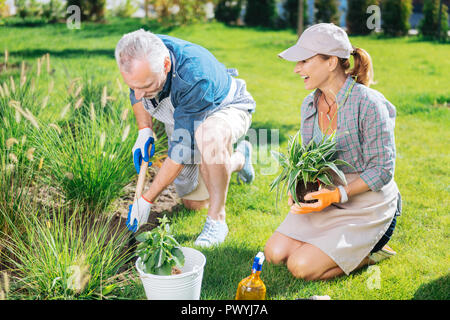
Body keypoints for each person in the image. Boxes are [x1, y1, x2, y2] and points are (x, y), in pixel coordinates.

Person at [264, 23, 402, 280]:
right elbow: (310, 161)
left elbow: (383, 169)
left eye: (304, 61)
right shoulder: (310, 104)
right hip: (328, 198)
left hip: (366, 204)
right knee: (274, 253)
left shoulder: (368, 104)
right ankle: (328, 247)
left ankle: (372, 252)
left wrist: (339, 193)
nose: (297, 69)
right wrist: (299, 188)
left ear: (330, 62)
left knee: (300, 267)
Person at [115, 29, 256, 247]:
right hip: (182, 112)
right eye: (134, 87)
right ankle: (240, 159)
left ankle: (217, 219)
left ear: (165, 65)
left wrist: (146, 199)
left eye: (145, 87)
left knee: (208, 137)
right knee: (193, 202)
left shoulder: (194, 77)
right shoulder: (138, 52)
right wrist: (145, 129)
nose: (139, 94)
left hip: (224, 106)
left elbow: (180, 153)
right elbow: (137, 88)